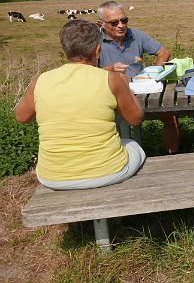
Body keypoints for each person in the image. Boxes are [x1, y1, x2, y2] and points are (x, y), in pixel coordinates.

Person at [14, 20, 146, 190]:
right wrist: (125, 85)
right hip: (107, 171)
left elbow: (21, 117)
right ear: (98, 50)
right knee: (133, 145)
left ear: (65, 50)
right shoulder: (111, 79)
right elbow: (135, 119)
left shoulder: (40, 81)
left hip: (52, 176)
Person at [96, 1, 179, 154]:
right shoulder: (94, 41)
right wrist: (109, 69)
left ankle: (172, 158)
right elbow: (85, 72)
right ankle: (113, 158)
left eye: (124, 20)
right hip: (109, 95)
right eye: (114, 22)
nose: (121, 25)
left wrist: (157, 69)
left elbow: (163, 52)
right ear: (100, 24)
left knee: (170, 115)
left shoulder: (136, 35)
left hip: (141, 92)